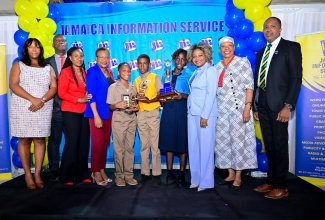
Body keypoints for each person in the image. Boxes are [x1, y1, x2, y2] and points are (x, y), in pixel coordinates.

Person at [253, 17, 302, 199]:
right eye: (266, 27)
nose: (268, 30)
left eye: (272, 26)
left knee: (280, 144)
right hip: (263, 103)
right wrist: (256, 106)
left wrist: (288, 106)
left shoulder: (291, 48)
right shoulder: (261, 53)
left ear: (280, 29)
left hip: (280, 104)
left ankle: (282, 185)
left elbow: (296, 79)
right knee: (270, 144)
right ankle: (272, 181)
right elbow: (258, 82)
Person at [9, 38, 57, 189]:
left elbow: (54, 87)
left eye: (37, 46)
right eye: (30, 47)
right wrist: (33, 99)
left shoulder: (48, 67)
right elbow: (13, 84)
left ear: (41, 49)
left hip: (43, 107)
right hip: (23, 106)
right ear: (26, 50)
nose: (34, 49)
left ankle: (37, 174)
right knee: (24, 140)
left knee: (40, 139)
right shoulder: (19, 65)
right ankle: (27, 175)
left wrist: (41, 100)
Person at [214, 36, 257, 191]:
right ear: (219, 50)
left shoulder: (242, 62)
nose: (227, 48)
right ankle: (230, 173)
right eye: (223, 46)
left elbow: (249, 86)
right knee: (223, 142)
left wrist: (247, 107)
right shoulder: (216, 67)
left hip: (239, 109)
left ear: (234, 47)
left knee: (239, 142)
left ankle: (238, 177)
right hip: (222, 111)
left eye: (229, 46)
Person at [58, 47, 92, 186]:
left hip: (84, 112)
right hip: (70, 111)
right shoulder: (65, 72)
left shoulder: (84, 72)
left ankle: (82, 174)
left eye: (81, 56)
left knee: (83, 143)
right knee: (72, 143)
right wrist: (79, 99)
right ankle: (67, 176)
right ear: (70, 58)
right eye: (76, 56)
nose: (79, 58)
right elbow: (61, 93)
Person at [187, 42, 218, 192]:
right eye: (194, 56)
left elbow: (210, 94)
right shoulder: (197, 71)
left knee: (205, 148)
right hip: (192, 113)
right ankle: (196, 178)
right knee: (193, 147)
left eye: (200, 55)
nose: (197, 58)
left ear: (206, 55)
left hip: (205, 115)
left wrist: (204, 116)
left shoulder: (211, 70)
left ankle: (206, 182)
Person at [158, 49, 191, 187]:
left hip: (183, 109)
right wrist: (162, 99)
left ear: (186, 61)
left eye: (183, 59)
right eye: (178, 58)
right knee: (169, 142)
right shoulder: (166, 74)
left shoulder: (190, 75)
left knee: (183, 142)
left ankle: (182, 174)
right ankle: (170, 173)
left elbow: (193, 96)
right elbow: (161, 95)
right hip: (169, 111)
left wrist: (182, 96)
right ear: (173, 59)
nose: (180, 61)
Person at [84, 47, 115, 186]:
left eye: (106, 57)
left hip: (108, 113)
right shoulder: (92, 71)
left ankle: (102, 169)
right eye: (101, 57)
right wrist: (96, 115)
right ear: (96, 59)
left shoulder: (109, 72)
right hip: (96, 113)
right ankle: (95, 171)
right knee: (97, 144)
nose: (104, 59)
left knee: (105, 143)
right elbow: (91, 95)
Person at [133, 54, 164, 186]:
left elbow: (162, 95)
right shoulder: (136, 81)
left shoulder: (155, 77)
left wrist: (150, 100)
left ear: (149, 64)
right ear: (137, 65)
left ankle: (156, 173)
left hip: (152, 113)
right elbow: (134, 98)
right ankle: (145, 172)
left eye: (144, 63)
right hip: (140, 114)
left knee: (155, 145)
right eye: (139, 63)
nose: (142, 66)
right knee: (144, 145)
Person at [107, 62, 139, 187]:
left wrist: (135, 107)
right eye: (124, 71)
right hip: (119, 120)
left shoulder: (133, 87)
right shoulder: (113, 87)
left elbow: (133, 103)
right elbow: (110, 107)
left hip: (131, 119)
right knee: (119, 149)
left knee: (129, 149)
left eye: (129, 71)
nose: (127, 73)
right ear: (118, 73)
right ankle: (119, 176)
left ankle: (129, 175)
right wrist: (117, 105)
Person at [46, 34, 67, 181]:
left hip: (72, 108)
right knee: (54, 140)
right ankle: (54, 169)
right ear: (53, 44)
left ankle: (68, 168)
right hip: (54, 109)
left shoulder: (75, 61)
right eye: (58, 41)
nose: (61, 42)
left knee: (72, 140)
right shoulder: (46, 63)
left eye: (63, 41)